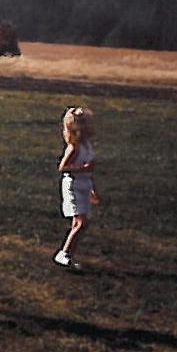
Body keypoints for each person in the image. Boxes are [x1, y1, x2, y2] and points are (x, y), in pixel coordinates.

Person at [53, 106, 99, 271]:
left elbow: (90, 170)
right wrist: (83, 169)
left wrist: (92, 189)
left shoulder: (87, 146)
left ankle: (69, 255)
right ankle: (64, 254)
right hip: (73, 185)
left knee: (78, 223)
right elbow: (63, 167)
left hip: (84, 185)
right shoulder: (74, 148)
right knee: (82, 223)